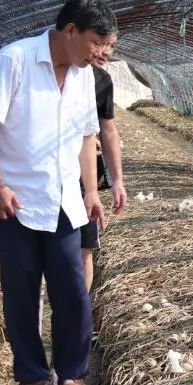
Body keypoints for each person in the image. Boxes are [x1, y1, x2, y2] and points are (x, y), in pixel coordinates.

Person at [0, 0, 115, 385]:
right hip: (14, 201)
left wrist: (90, 191)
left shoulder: (85, 75)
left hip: (65, 199)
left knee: (72, 288)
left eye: (109, 47)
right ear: (70, 31)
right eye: (97, 43)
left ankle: (71, 372)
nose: (101, 54)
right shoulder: (13, 61)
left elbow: (87, 136)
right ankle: (31, 373)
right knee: (21, 288)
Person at [81, 38, 128, 293]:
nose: (107, 52)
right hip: (44, 180)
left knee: (85, 248)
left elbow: (107, 130)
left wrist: (117, 180)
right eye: (100, 43)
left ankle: (79, 317)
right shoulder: (49, 75)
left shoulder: (101, 81)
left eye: (112, 46)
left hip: (83, 177)